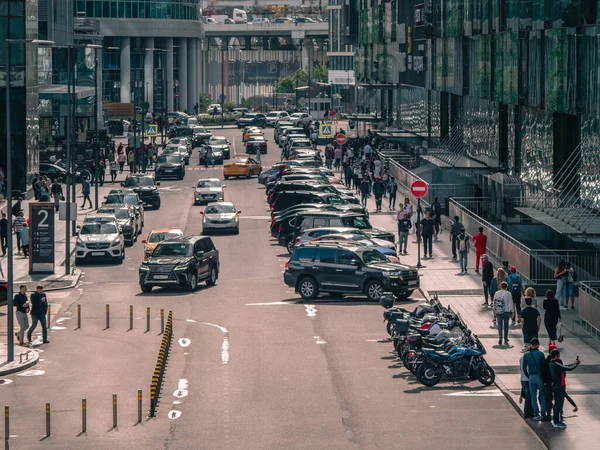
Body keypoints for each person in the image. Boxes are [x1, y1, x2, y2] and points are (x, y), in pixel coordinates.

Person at [549, 350, 580, 428]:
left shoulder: (551, 363)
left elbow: (565, 366)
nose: (559, 357)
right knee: (558, 405)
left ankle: (557, 421)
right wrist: (576, 364)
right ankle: (557, 421)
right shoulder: (555, 364)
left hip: (556, 386)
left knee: (557, 404)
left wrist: (574, 363)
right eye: (558, 355)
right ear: (555, 356)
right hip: (559, 387)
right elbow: (567, 368)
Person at [522, 338, 547, 420]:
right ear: (537, 345)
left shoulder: (526, 355)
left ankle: (536, 414)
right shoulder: (541, 354)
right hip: (539, 376)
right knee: (542, 396)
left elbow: (524, 368)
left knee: (533, 397)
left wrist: (528, 376)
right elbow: (544, 367)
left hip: (531, 377)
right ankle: (543, 413)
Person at [493, 281, 514, 347]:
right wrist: (512, 311)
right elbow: (511, 303)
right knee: (506, 325)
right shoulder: (508, 294)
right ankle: (505, 338)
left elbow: (494, 302)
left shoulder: (497, 293)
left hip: (499, 311)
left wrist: (494, 311)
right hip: (506, 311)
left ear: (501, 286)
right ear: (506, 287)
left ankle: (500, 338)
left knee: (499, 324)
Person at [519, 350, 534, 419]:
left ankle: (530, 411)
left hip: (523, 379)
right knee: (529, 396)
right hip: (527, 379)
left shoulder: (521, 359)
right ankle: (527, 412)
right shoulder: (528, 358)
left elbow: (521, 369)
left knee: (529, 396)